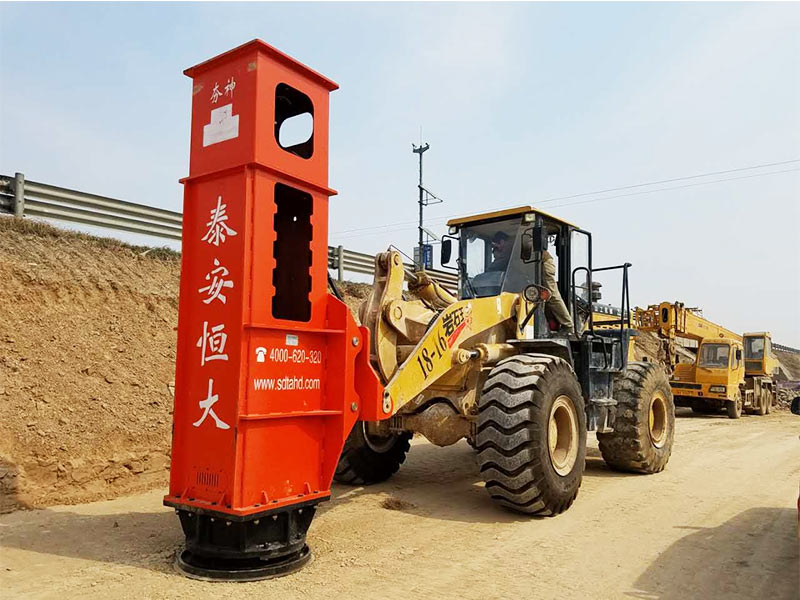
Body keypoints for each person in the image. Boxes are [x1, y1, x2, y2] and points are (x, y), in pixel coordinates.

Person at [542, 249, 574, 333]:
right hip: (530, 266)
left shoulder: (514, 240)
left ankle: (568, 326)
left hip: (542, 263)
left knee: (550, 294)